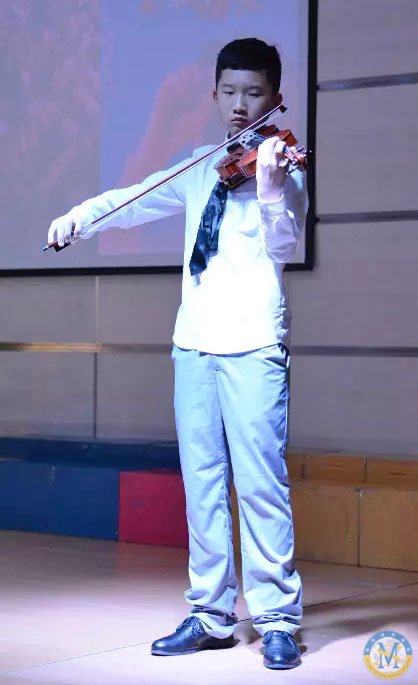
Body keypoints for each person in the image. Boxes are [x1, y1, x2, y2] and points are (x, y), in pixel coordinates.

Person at [48, 37, 308, 670]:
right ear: (214, 95)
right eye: (230, 92)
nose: (241, 105)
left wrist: (271, 187)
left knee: (261, 485)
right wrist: (81, 217)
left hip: (253, 343)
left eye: (254, 93)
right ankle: (211, 614)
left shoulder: (285, 166)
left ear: (275, 97)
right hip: (193, 343)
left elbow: (285, 245)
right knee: (202, 485)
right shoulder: (201, 166)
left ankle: (277, 618)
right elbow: (135, 199)